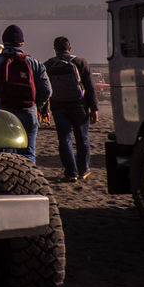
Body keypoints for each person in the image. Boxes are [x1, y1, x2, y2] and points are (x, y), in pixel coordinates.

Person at [0, 25, 51, 163]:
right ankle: (29, 182)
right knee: (28, 153)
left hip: (1, 113)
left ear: (4, 42)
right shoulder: (34, 63)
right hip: (28, 112)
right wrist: (36, 106)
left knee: (2, 153)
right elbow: (47, 90)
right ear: (21, 43)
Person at [44, 36, 99, 183]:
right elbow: (90, 87)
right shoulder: (80, 62)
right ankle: (83, 170)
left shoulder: (48, 65)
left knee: (64, 139)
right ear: (70, 49)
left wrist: (44, 110)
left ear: (55, 49)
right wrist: (94, 108)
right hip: (79, 106)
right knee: (82, 139)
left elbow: (45, 89)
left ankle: (70, 173)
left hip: (58, 107)